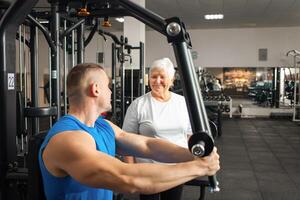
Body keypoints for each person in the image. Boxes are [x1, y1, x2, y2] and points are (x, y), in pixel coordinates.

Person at [38, 63, 220, 200]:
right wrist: (200, 167)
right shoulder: (67, 139)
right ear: (95, 89)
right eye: (108, 86)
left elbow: (148, 145)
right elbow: (126, 178)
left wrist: (193, 155)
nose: (110, 91)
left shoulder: (103, 126)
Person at [122, 58, 194, 200]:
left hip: (176, 169)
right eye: (154, 77)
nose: (157, 81)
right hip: (148, 171)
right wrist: (130, 172)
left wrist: (195, 160)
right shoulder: (139, 105)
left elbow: (189, 134)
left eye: (162, 77)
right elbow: (126, 140)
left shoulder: (182, 103)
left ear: (172, 79)